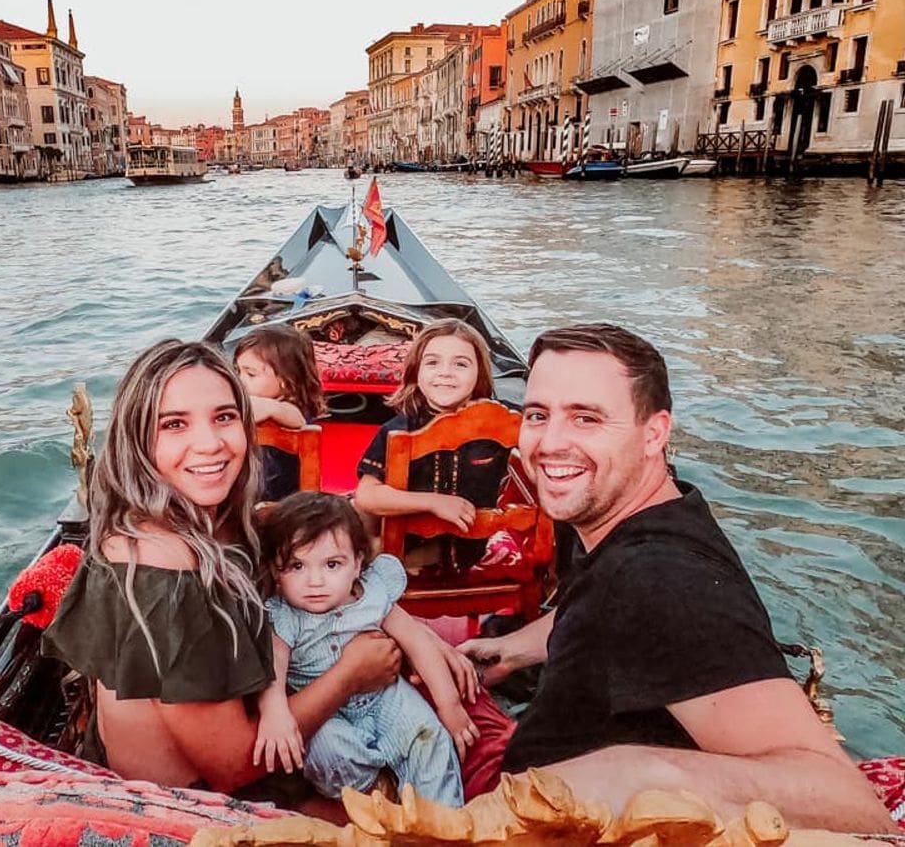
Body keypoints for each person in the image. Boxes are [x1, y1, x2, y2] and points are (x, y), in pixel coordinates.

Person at [458, 323, 893, 833]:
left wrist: (640, 773)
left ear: (654, 433)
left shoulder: (660, 581)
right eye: (537, 415)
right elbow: (606, 611)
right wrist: (515, 649)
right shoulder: (643, 518)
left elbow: (852, 807)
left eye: (586, 418)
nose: (550, 443)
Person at [41, 340, 402, 799]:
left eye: (225, 417)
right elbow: (236, 766)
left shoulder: (209, 524)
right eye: (174, 424)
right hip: (202, 808)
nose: (210, 444)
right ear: (136, 440)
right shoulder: (161, 568)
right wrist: (352, 675)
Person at [254, 492, 477, 807]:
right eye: (297, 566)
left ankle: (442, 820)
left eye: (332, 564)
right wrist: (275, 714)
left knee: (429, 737)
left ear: (358, 563)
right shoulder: (285, 615)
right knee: (325, 750)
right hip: (325, 712)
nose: (315, 581)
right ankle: (377, 795)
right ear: (276, 571)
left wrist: (449, 706)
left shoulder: (372, 593)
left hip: (385, 698)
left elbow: (416, 640)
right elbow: (272, 670)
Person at [353, 318, 510, 574]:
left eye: (460, 364)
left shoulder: (504, 422)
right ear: (416, 371)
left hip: (460, 543)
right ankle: (367, 555)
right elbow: (367, 495)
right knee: (345, 513)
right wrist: (433, 502)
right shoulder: (399, 428)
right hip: (403, 529)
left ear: (479, 372)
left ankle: (375, 562)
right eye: (433, 362)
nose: (445, 372)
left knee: (350, 550)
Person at [234, 325, 327, 502]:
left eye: (251, 374)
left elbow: (298, 420)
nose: (240, 381)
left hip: (281, 501)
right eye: (238, 371)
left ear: (285, 380)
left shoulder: (294, 408)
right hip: (247, 491)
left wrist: (270, 408)